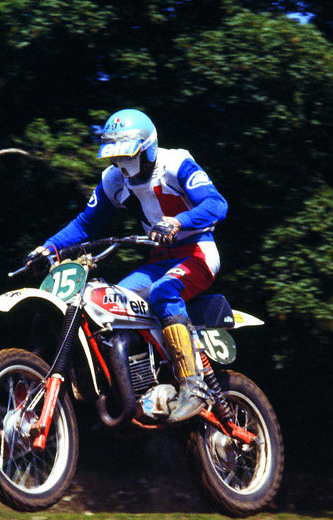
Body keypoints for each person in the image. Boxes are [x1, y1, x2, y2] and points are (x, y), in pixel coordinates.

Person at [25, 108, 228, 422]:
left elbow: (217, 204)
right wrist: (48, 248)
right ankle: (146, 382)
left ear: (147, 149)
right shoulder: (114, 179)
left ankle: (193, 385)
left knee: (164, 291)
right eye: (116, 159)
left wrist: (178, 222)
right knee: (112, 304)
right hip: (159, 260)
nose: (123, 167)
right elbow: (85, 225)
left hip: (197, 253)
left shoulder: (176, 164)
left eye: (129, 158)